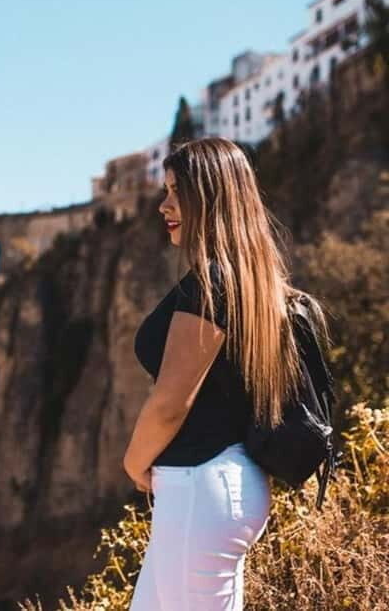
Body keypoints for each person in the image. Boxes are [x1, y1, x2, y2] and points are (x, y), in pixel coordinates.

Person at [123, 137, 330, 610]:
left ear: (210, 197)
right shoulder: (248, 280)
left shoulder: (213, 285)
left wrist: (135, 463)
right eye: (166, 190)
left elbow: (172, 402)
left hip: (201, 486)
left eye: (177, 191)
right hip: (213, 487)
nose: (164, 205)